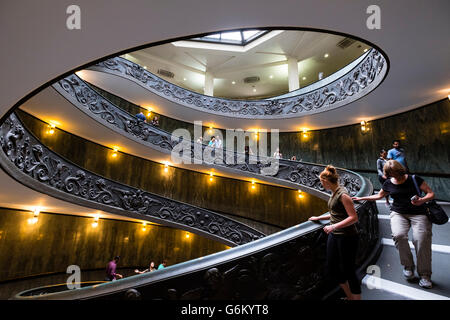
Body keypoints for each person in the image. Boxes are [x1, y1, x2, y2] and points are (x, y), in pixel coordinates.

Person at [353, 160, 434, 289]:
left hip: (419, 213)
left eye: (396, 172)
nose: (394, 176)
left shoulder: (414, 178)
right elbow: (378, 196)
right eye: (391, 174)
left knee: (421, 239)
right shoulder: (388, 183)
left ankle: (425, 275)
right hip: (398, 213)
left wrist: (422, 200)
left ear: (400, 170)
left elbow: (431, 193)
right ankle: (408, 266)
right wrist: (361, 198)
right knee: (399, 235)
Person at [309, 165, 361, 300]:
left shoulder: (343, 195)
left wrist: (333, 227)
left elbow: (353, 217)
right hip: (336, 235)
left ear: (326, 181)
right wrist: (319, 218)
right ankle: (350, 296)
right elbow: (335, 213)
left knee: (349, 270)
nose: (321, 184)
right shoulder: (334, 193)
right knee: (332, 267)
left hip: (347, 237)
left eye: (321, 182)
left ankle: (356, 298)